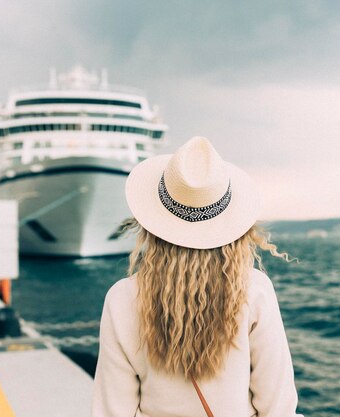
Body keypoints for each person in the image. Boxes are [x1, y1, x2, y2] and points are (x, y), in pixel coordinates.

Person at [92, 136, 303, 417]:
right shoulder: (253, 290)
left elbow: (112, 410)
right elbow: (278, 406)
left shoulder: (122, 297)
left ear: (151, 226)